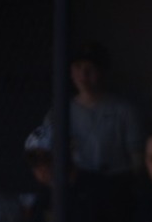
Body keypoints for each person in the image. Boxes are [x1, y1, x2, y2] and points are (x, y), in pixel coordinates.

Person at [42, 43, 146, 180]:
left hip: (113, 183)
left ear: (102, 71)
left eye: (90, 68)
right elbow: (43, 155)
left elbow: (137, 160)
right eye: (78, 67)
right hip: (74, 186)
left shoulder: (124, 111)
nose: (83, 74)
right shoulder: (59, 112)